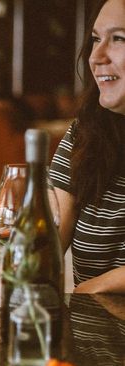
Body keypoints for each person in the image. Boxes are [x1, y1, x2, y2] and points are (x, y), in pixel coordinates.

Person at [49, 0, 125, 294]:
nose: (96, 56)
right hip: (92, 339)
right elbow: (51, 241)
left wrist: (89, 290)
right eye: (96, 39)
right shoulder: (85, 133)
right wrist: (23, 272)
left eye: (118, 38)